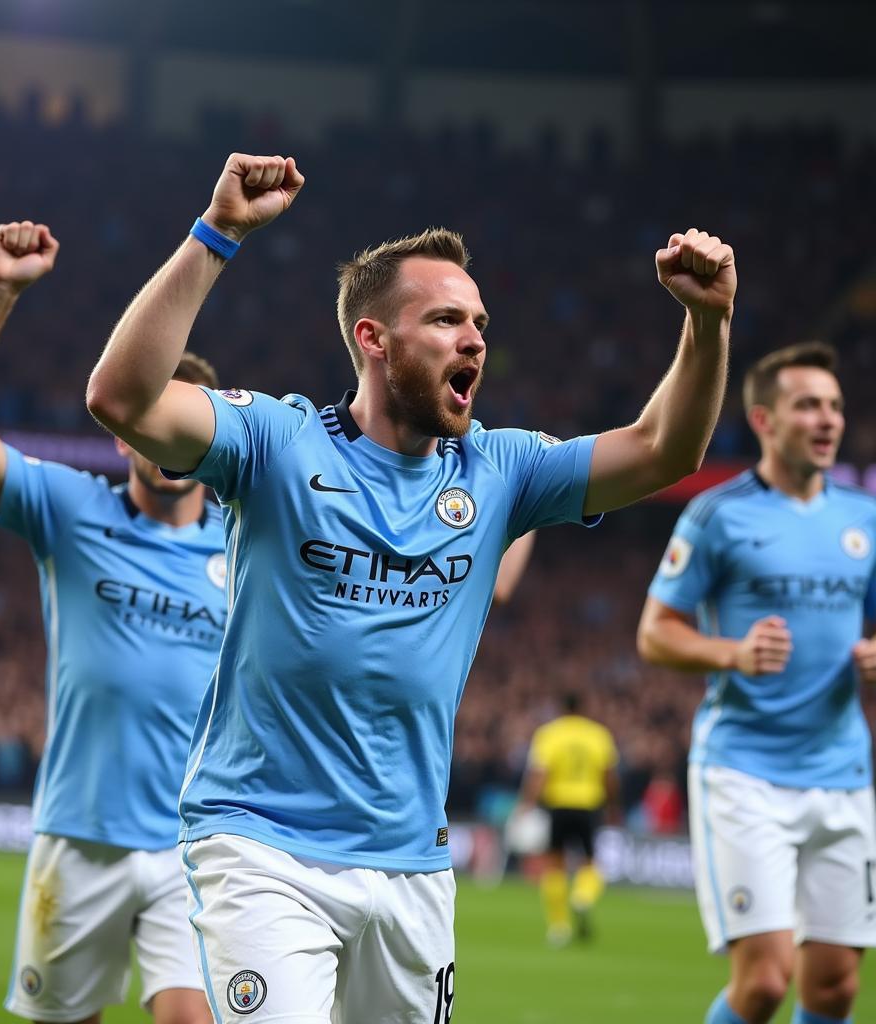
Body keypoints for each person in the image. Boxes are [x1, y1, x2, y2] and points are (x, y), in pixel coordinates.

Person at [86, 152, 735, 1024]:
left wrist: (707, 323)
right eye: (445, 320)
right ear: (373, 339)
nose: (475, 339)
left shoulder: (502, 469)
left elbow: (666, 450)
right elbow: (122, 397)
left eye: (479, 322)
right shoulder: (277, 442)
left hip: (412, 863)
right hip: (262, 845)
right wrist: (219, 233)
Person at [0, 222, 221, 1024]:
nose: (162, 436)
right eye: (147, 417)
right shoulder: (71, 509)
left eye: (180, 419)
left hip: (197, 847)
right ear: (125, 435)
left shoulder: (248, 542)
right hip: (80, 838)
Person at [637, 341, 876, 1024]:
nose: (828, 420)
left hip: (843, 773)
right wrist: (732, 654)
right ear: (766, 421)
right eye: (808, 406)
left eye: (834, 406)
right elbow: (655, 632)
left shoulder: (865, 519)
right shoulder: (719, 515)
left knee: (834, 989)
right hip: (746, 773)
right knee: (767, 981)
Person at [519, 691, 618, 946]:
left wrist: (527, 803)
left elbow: (539, 773)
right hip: (589, 804)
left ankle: (559, 927)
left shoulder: (549, 734)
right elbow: (608, 774)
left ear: (561, 708)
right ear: (583, 707)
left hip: (558, 805)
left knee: (554, 864)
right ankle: (583, 896)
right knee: (589, 862)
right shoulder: (598, 734)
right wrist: (614, 805)